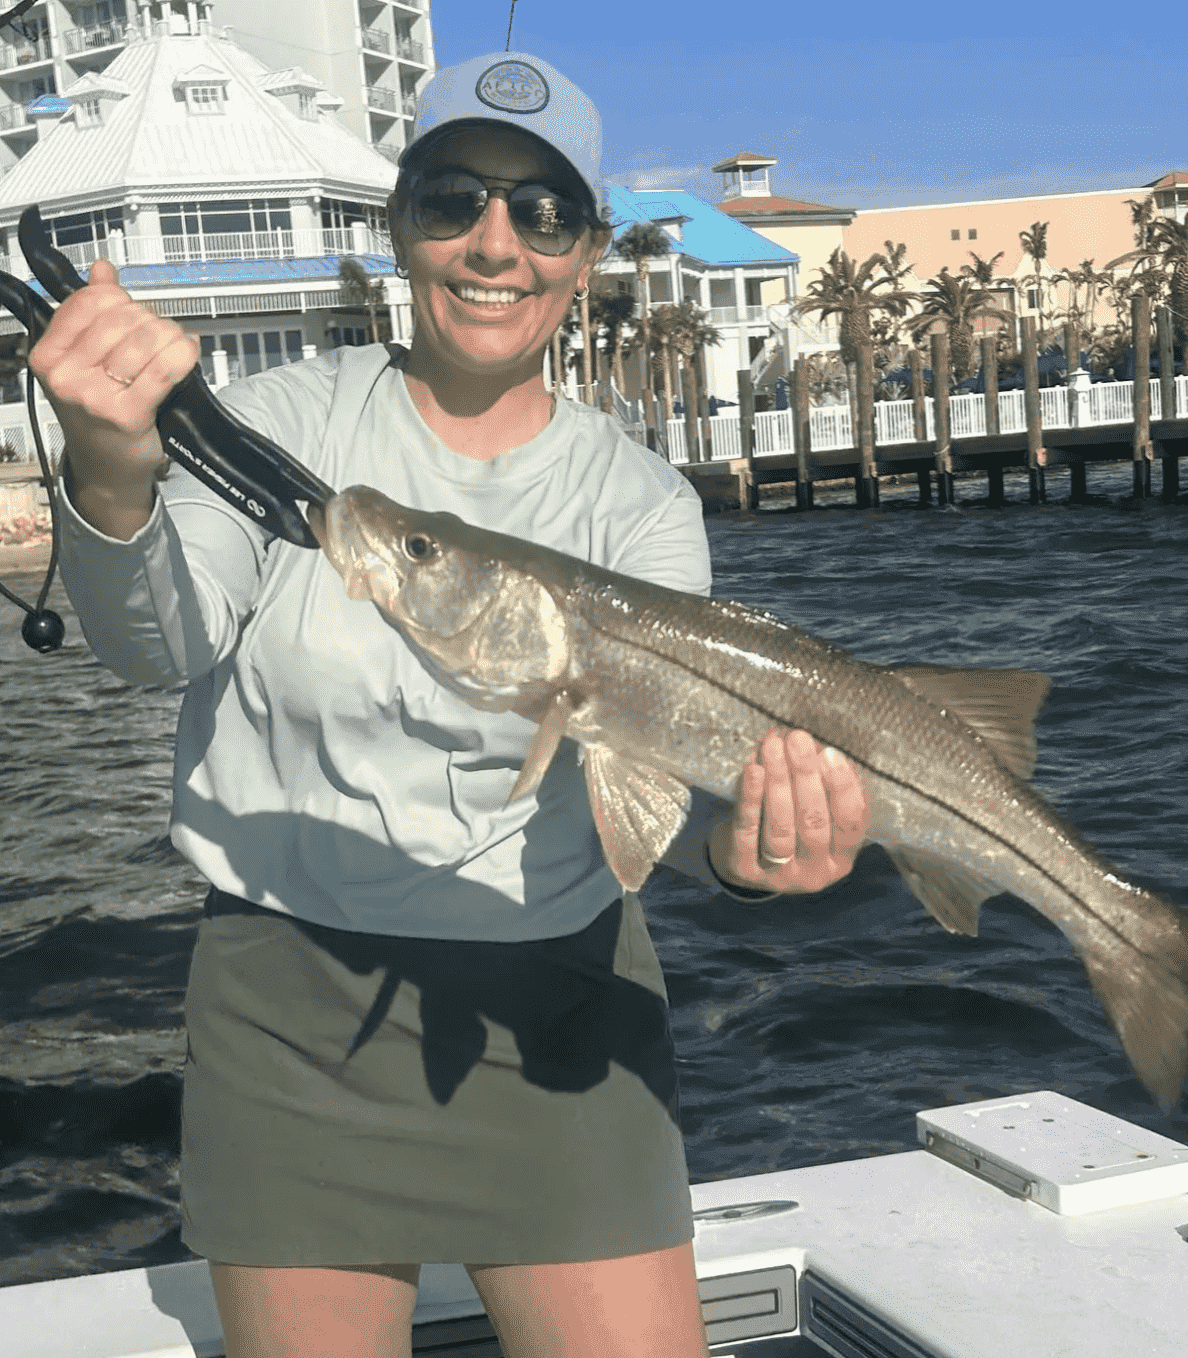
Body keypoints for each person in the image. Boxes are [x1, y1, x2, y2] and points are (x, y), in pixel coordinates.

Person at [35, 51, 866, 1358]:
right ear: (400, 225)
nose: (497, 244)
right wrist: (112, 463)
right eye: (453, 200)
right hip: (286, 999)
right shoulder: (271, 418)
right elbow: (157, 643)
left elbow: (649, 779)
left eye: (542, 212)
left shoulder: (635, 499)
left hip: (564, 997)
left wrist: (749, 859)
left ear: (586, 249)